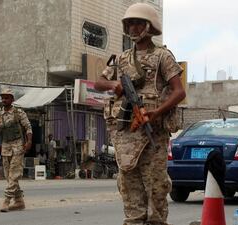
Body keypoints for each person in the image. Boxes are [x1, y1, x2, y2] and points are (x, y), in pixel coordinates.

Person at [94, 3, 186, 225]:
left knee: (156, 189)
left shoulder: (162, 56)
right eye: (130, 24)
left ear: (149, 26)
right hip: (127, 134)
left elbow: (179, 91)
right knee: (129, 188)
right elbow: (98, 82)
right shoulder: (122, 58)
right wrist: (115, 84)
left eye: (138, 23)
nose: (133, 28)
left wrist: (156, 112)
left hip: (152, 133)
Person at [0, 88, 33, 213]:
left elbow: (28, 127)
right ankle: (19, 201)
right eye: (2, 97)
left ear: (12, 99)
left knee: (14, 173)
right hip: (5, 147)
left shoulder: (18, 113)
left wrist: (29, 141)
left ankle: (6, 200)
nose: (4, 100)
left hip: (18, 146)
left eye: (7, 97)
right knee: (9, 176)